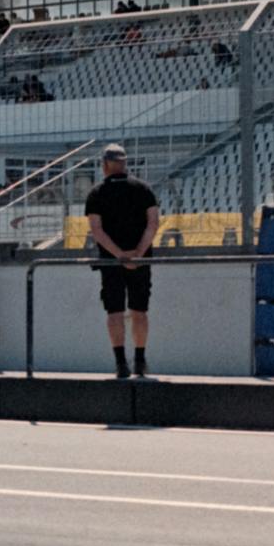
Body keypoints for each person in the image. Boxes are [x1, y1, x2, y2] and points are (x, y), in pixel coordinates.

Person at [84, 144, 160, 378]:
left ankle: (120, 363)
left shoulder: (96, 193)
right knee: (139, 310)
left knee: (114, 311)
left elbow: (96, 230)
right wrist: (137, 252)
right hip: (140, 260)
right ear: (124, 163)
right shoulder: (144, 189)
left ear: (105, 164)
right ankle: (139, 359)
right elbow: (153, 224)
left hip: (111, 262)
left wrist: (119, 255)